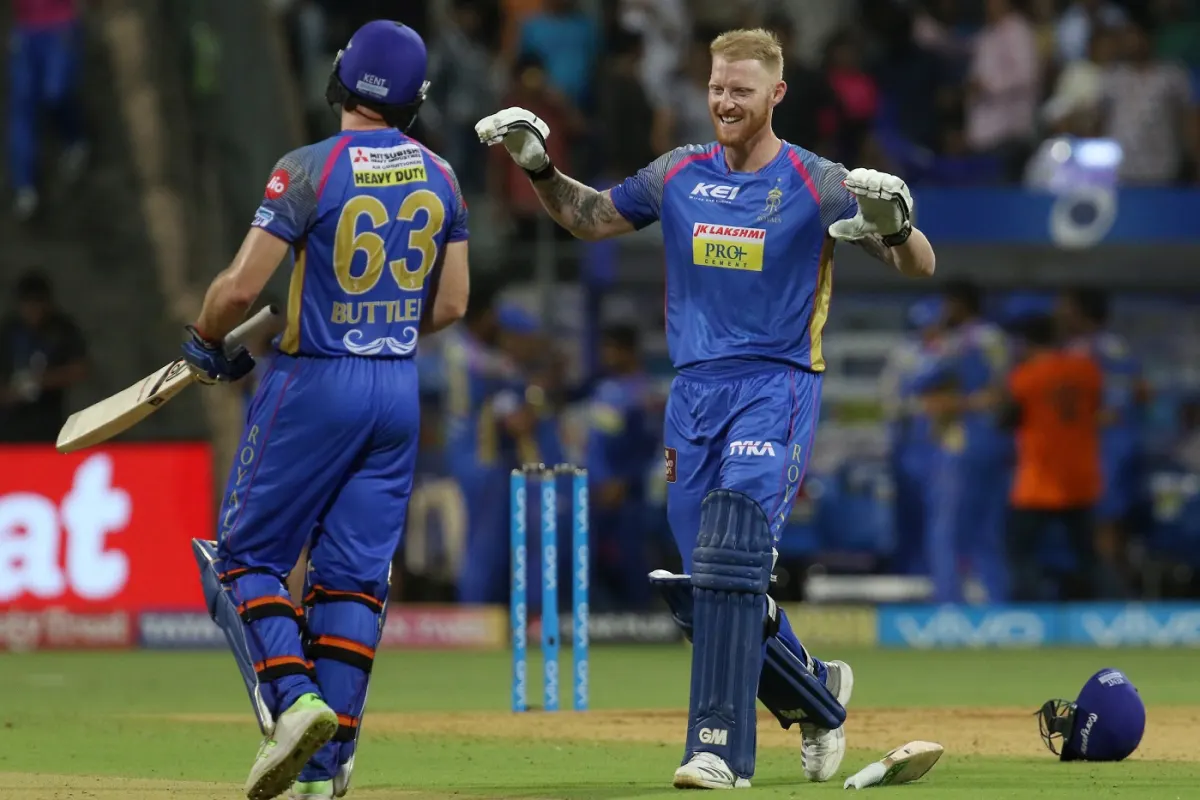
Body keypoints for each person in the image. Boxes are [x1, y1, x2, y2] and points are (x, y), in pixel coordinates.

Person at [477, 26, 935, 789]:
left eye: (741, 91)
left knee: (730, 559)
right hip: (692, 395)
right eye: (718, 87)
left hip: (776, 385)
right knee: (706, 592)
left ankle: (718, 750)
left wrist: (896, 224)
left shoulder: (816, 180)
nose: (724, 101)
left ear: (776, 94)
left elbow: (918, 263)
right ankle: (818, 694)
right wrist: (538, 168)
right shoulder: (678, 172)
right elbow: (590, 218)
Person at [183, 21, 470, 800]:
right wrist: (380, 321)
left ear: (342, 78)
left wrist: (204, 339)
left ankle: (294, 699)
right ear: (414, 99)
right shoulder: (443, 175)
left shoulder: (309, 167)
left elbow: (240, 289)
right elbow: (451, 304)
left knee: (244, 558)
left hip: (315, 381)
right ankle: (323, 767)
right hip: (397, 388)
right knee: (351, 581)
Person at [916, 280, 1011, 603]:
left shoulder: (957, 343)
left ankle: (949, 604)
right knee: (988, 530)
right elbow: (1004, 390)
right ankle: (996, 602)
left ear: (958, 304)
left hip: (959, 444)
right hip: (995, 443)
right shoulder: (997, 338)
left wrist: (954, 403)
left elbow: (923, 385)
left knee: (947, 530)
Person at [1004, 314, 1103, 601]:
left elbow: (1006, 418)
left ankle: (1031, 611)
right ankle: (1102, 610)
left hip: (1039, 481)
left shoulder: (1025, 376)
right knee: (1087, 555)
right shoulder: (1086, 369)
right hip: (1080, 478)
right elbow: (1097, 407)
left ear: (1027, 343)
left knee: (1019, 552)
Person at [1059, 288, 1145, 596]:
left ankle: (1117, 600)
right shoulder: (1072, 348)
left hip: (1108, 449)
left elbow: (1115, 408)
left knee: (1106, 525)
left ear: (1082, 311)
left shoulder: (1109, 349)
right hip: (1084, 451)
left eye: (1066, 308)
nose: (1060, 314)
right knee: (1089, 527)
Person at [586, 324, 658, 610]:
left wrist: (623, 481)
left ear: (629, 351)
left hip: (627, 493)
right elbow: (597, 444)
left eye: (613, 349)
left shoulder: (643, 393)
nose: (607, 355)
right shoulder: (604, 388)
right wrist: (598, 480)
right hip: (598, 490)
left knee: (631, 558)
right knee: (594, 558)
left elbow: (646, 447)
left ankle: (641, 617)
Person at [8, 0, 90, 221]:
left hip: (60, 26)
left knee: (57, 93)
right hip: (26, 30)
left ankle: (74, 140)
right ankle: (25, 187)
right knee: (23, 107)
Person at [0, 271, 87, 442]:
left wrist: (39, 381)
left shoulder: (62, 329)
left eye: (37, 304)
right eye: (28, 305)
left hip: (48, 422)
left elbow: (80, 369)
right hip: (10, 425)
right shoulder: (9, 331)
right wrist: (11, 393)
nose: (33, 311)